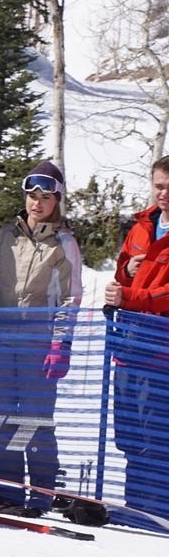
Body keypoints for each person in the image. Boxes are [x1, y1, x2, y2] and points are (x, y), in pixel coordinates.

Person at [0, 161, 83, 517]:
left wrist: (60, 344)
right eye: (32, 195)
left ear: (57, 200)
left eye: (45, 196)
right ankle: (7, 486)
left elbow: (70, 298)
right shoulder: (6, 235)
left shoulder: (64, 244)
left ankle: (42, 491)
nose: (37, 202)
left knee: (35, 417)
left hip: (37, 342)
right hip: (0, 337)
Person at [104, 155, 169, 515]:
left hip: (162, 354)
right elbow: (122, 269)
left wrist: (131, 295)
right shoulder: (142, 226)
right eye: (159, 186)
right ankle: (135, 508)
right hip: (130, 347)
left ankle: (158, 512)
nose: (164, 194)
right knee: (130, 437)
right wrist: (125, 273)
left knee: (157, 436)